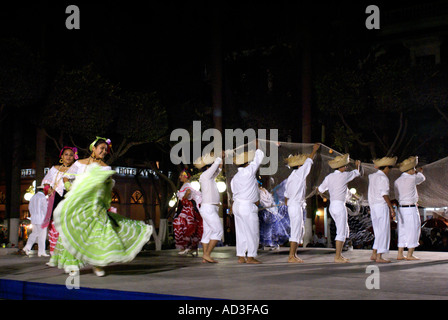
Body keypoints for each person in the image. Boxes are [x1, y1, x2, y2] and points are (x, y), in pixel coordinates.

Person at [49, 137, 152, 276]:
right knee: (74, 230)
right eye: (101, 148)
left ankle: (97, 264)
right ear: (93, 148)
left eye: (105, 149)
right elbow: (66, 177)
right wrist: (70, 187)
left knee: (98, 233)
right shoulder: (79, 163)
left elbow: (105, 187)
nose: (104, 151)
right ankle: (72, 263)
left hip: (95, 205)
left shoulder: (105, 168)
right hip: (79, 203)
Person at [318, 153, 361, 263]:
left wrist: (325, 195)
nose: (346, 167)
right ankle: (337, 256)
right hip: (340, 205)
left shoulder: (329, 177)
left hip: (332, 206)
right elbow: (356, 173)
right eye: (345, 166)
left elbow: (321, 189)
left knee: (343, 228)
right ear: (341, 167)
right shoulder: (344, 175)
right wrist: (357, 165)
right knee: (341, 231)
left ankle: (339, 255)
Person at [284, 143, 320, 263]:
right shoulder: (299, 174)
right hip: (295, 205)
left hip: (293, 205)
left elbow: (286, 197)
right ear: (299, 166)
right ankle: (291, 256)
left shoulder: (291, 177)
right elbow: (309, 161)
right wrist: (314, 150)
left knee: (298, 229)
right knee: (296, 230)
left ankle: (293, 255)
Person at [230, 141, 264, 264]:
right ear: (247, 163)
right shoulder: (249, 171)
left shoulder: (235, 178)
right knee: (252, 231)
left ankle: (241, 256)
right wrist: (257, 145)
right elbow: (259, 158)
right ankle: (250, 256)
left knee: (241, 232)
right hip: (246, 206)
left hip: (237, 205)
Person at [41, 146, 78, 255]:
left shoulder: (77, 170)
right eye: (66, 154)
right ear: (61, 156)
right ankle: (54, 251)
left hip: (70, 198)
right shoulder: (55, 169)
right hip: (56, 197)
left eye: (71, 155)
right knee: (55, 224)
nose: (68, 157)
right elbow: (46, 183)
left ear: (74, 157)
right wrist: (48, 189)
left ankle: (68, 251)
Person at [394, 156, 426, 261]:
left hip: (401, 208)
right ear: (411, 170)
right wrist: (419, 172)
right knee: (413, 230)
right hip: (410, 208)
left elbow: (396, 195)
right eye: (413, 169)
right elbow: (422, 178)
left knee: (402, 230)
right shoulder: (412, 178)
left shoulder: (397, 181)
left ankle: (400, 253)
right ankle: (410, 254)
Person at [195, 153, 224, 263]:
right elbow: (216, 165)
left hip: (209, 208)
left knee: (207, 233)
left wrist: (221, 160)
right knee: (218, 231)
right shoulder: (206, 175)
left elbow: (218, 168)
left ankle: (205, 256)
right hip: (209, 208)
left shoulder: (209, 177)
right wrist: (219, 157)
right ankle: (207, 254)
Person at [368, 156, 397, 263]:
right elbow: (384, 194)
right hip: (381, 206)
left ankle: (374, 253)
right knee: (383, 231)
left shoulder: (372, 177)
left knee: (378, 231)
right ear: (386, 168)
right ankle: (379, 256)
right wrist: (391, 207)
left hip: (373, 206)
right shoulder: (383, 178)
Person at [174, 169, 203, 256]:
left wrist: (184, 199)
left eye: (181, 175)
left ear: (186, 176)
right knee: (187, 226)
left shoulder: (187, 185)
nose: (180, 177)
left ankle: (186, 247)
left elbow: (189, 191)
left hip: (186, 209)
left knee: (182, 225)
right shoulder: (185, 185)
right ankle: (191, 247)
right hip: (185, 209)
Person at [23, 185, 49, 257]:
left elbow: (30, 208)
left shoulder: (33, 197)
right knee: (42, 235)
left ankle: (27, 247)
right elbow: (45, 209)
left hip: (34, 219)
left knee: (34, 233)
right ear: (44, 190)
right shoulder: (42, 197)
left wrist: (33, 215)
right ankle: (41, 252)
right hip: (41, 219)